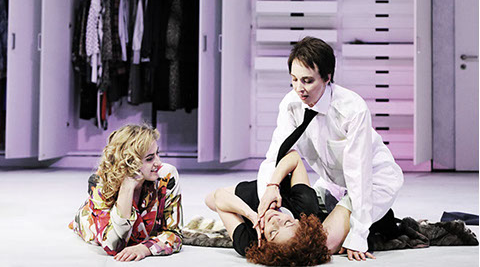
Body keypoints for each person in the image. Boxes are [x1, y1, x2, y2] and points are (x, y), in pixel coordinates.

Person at [257, 36, 404, 261]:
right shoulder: (291, 104)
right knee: (292, 237)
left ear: (327, 78)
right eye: (294, 79)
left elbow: (359, 174)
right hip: (333, 184)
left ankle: (375, 221)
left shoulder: (352, 109)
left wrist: (358, 234)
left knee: (321, 245)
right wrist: (268, 196)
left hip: (373, 181)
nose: (299, 88)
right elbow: (275, 155)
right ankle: (369, 219)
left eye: (307, 81)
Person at [206, 148, 361, 265]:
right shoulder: (305, 207)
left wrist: (250, 214)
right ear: (298, 221)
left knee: (210, 200)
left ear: (266, 243)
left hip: (246, 197)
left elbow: (219, 196)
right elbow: (294, 157)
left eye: (273, 232)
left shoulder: (250, 243)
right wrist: (273, 185)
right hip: (279, 187)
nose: (275, 221)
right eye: (286, 222)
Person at [69, 123, 182, 260]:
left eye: (157, 153)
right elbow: (113, 246)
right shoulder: (100, 182)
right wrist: (127, 186)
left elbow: (175, 235)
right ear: (129, 162)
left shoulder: (166, 175)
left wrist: (145, 248)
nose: (158, 162)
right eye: (149, 158)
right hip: (90, 222)